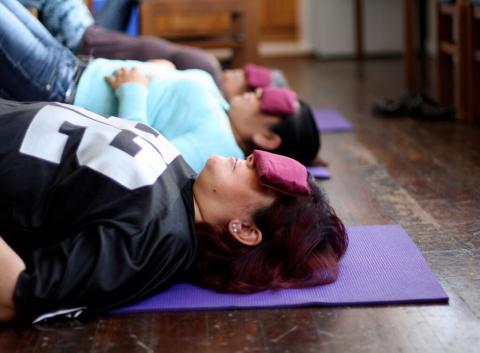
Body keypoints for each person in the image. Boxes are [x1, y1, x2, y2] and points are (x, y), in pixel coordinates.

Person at [0, 98, 348, 323]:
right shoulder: (183, 176)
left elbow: (16, 296)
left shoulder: (154, 239)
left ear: (244, 229)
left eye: (265, 179)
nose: (255, 158)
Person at [0, 0, 321, 173]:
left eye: (262, 101)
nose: (254, 94)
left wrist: (134, 89)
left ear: (267, 137)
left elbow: (141, 160)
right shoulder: (221, 106)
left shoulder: (218, 148)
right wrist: (163, 71)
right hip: (71, 66)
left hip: (60, 88)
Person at [18, 0, 288, 98]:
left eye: (242, 82)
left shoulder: (206, 84)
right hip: (99, 38)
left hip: (81, 46)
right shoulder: (209, 77)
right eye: (241, 72)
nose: (235, 73)